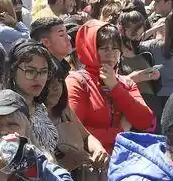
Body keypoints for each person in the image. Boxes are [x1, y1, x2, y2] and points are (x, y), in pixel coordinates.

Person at [66, 20, 155, 154]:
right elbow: (74, 132)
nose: (111, 54)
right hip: (91, 164)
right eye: (103, 48)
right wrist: (119, 132)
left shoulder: (126, 83)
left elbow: (146, 121)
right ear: (89, 49)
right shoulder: (77, 82)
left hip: (123, 162)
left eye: (115, 49)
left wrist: (115, 88)